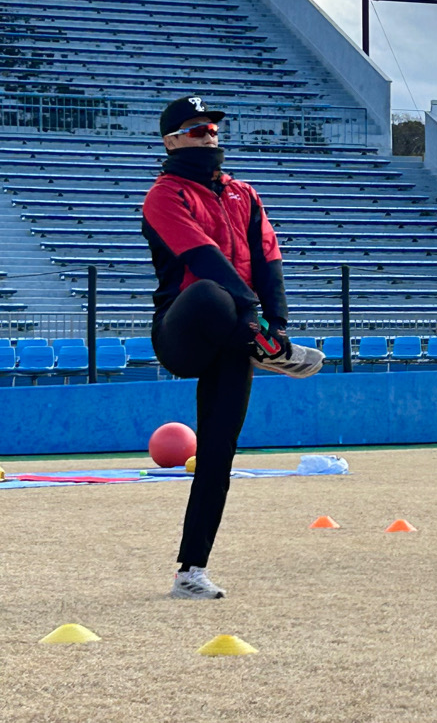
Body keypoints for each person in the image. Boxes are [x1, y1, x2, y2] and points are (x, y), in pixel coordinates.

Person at [142, 96, 325, 599]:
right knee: (210, 291)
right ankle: (262, 349)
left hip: (238, 338)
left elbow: (269, 263)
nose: (210, 137)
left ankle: (190, 572)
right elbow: (205, 260)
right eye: (198, 130)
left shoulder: (245, 194)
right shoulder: (164, 196)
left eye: (214, 129)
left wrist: (278, 328)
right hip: (185, 332)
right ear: (171, 140)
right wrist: (258, 327)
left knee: (218, 450)